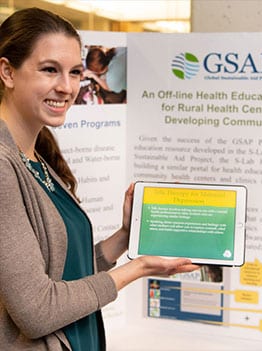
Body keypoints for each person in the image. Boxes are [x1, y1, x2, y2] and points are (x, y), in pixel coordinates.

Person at [0, 8, 200, 349]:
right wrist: (137, 269)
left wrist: (124, 236)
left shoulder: (36, 155)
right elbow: (36, 310)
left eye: (75, 72)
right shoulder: (4, 166)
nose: (66, 87)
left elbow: (63, 271)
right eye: (50, 70)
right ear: (7, 72)